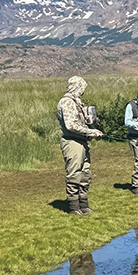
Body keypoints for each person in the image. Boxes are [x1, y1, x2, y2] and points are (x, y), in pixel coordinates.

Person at [56, 75, 104, 215]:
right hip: (72, 142)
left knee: (85, 174)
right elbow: (71, 126)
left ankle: (84, 205)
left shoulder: (77, 103)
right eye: (82, 88)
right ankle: (73, 207)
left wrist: (92, 128)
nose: (83, 92)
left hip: (82, 142)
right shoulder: (67, 102)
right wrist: (91, 131)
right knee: (74, 174)